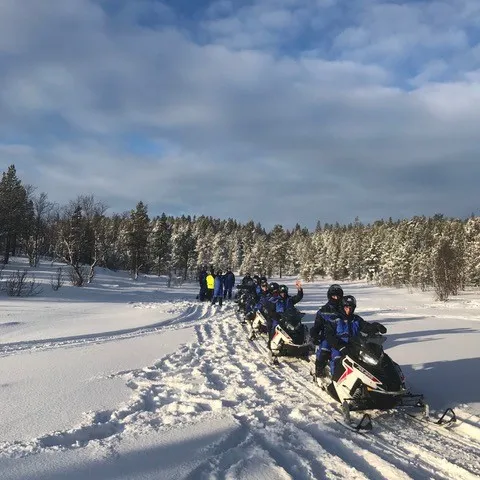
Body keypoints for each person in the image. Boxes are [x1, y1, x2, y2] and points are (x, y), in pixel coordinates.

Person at [325, 295, 387, 378]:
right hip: (339, 346)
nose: (348, 310)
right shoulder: (335, 319)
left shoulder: (356, 319)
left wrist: (376, 326)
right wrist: (340, 346)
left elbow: (366, 327)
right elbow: (329, 335)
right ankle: (335, 383)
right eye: (346, 307)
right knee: (338, 361)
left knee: (369, 362)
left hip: (356, 346)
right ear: (342, 307)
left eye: (351, 308)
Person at [310, 284, 344, 378]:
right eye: (334, 296)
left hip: (342, 336)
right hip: (327, 337)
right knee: (323, 351)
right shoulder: (323, 310)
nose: (336, 298)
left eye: (338, 296)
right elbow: (317, 325)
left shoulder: (344, 309)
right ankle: (319, 370)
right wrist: (314, 334)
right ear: (329, 296)